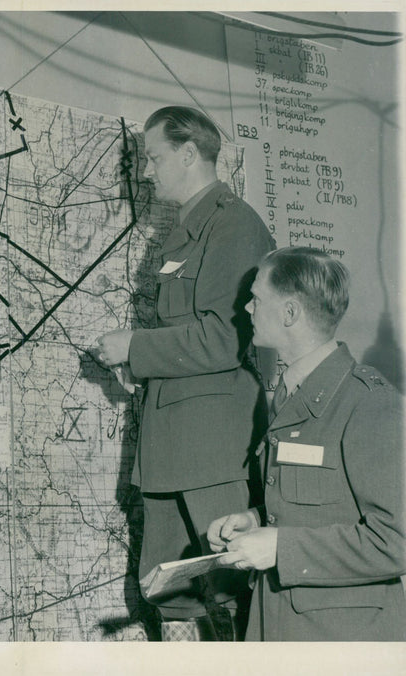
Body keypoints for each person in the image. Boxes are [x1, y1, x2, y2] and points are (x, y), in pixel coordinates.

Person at [93, 106, 274, 640]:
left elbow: (227, 337)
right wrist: (139, 367)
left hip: (211, 455)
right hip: (170, 454)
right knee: (172, 604)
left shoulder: (233, 223)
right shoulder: (185, 231)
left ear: (189, 154)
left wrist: (137, 346)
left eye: (154, 157)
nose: (146, 171)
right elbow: (189, 339)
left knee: (233, 603)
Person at [207, 247, 406, 641]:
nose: (247, 308)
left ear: (290, 314)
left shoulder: (369, 402)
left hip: (344, 642)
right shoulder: (289, 393)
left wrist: (281, 548)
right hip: (280, 627)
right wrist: (257, 520)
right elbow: (322, 505)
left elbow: (397, 540)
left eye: (256, 298)